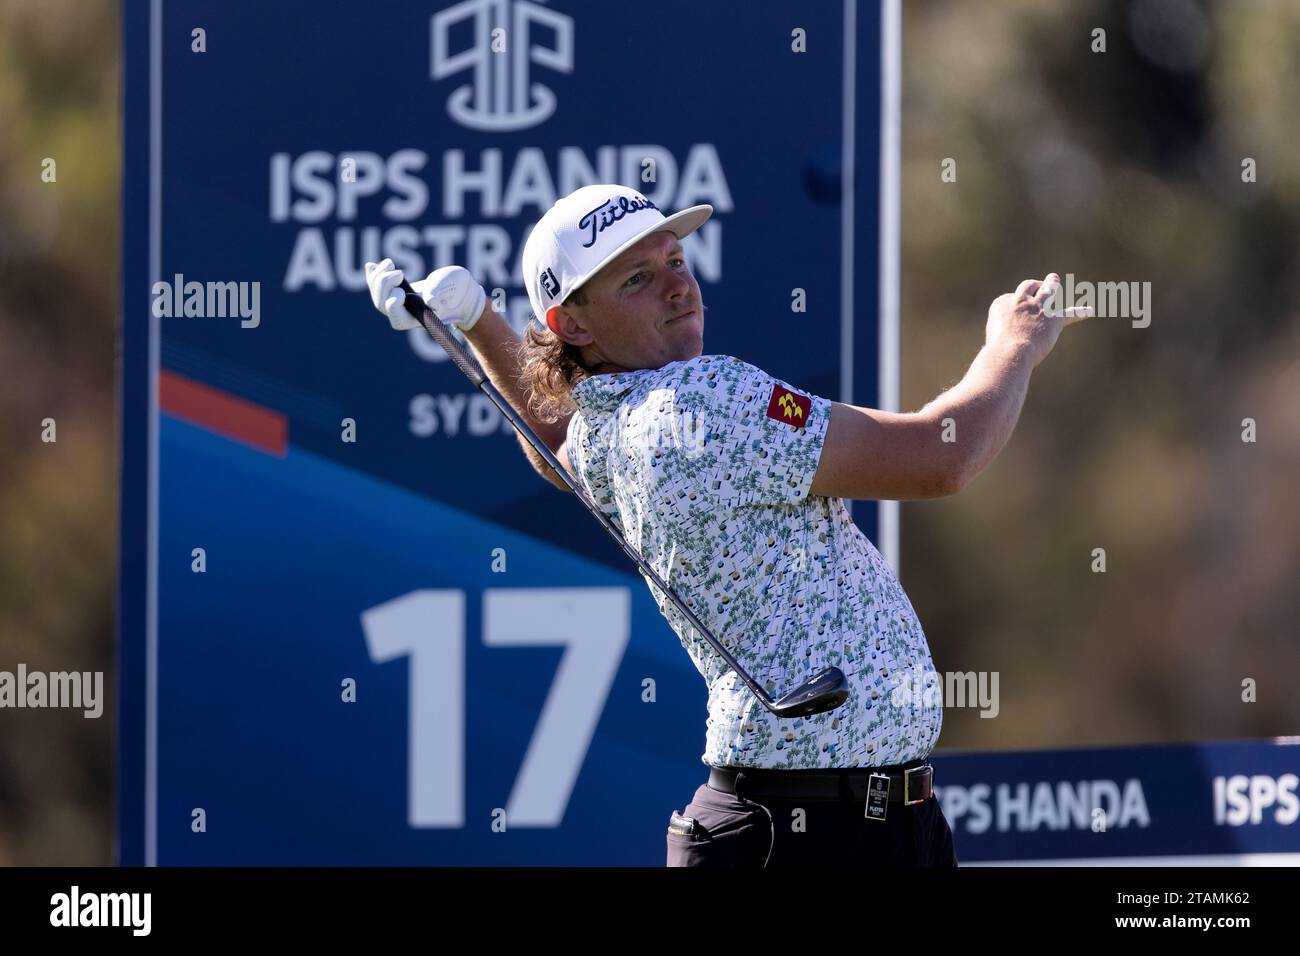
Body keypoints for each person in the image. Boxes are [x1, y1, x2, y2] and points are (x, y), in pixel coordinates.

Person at [365, 183, 1089, 867]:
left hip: (822, 820)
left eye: (674, 260)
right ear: (572, 323)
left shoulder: (611, 422)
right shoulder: (704, 398)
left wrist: (475, 322)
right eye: (637, 280)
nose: (679, 284)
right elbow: (941, 458)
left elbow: (556, 451)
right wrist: (1015, 344)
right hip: (814, 833)